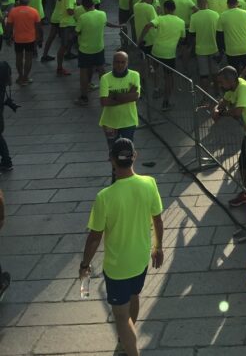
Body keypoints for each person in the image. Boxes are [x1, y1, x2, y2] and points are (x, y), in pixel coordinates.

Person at [81, 138, 164, 356]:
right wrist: (159, 247)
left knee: (120, 316)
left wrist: (85, 264)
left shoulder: (105, 197)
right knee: (134, 296)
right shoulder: (149, 183)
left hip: (117, 267)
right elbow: (158, 220)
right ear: (134, 157)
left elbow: (94, 237)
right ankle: (124, 341)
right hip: (140, 259)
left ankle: (129, 348)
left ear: (112, 161)